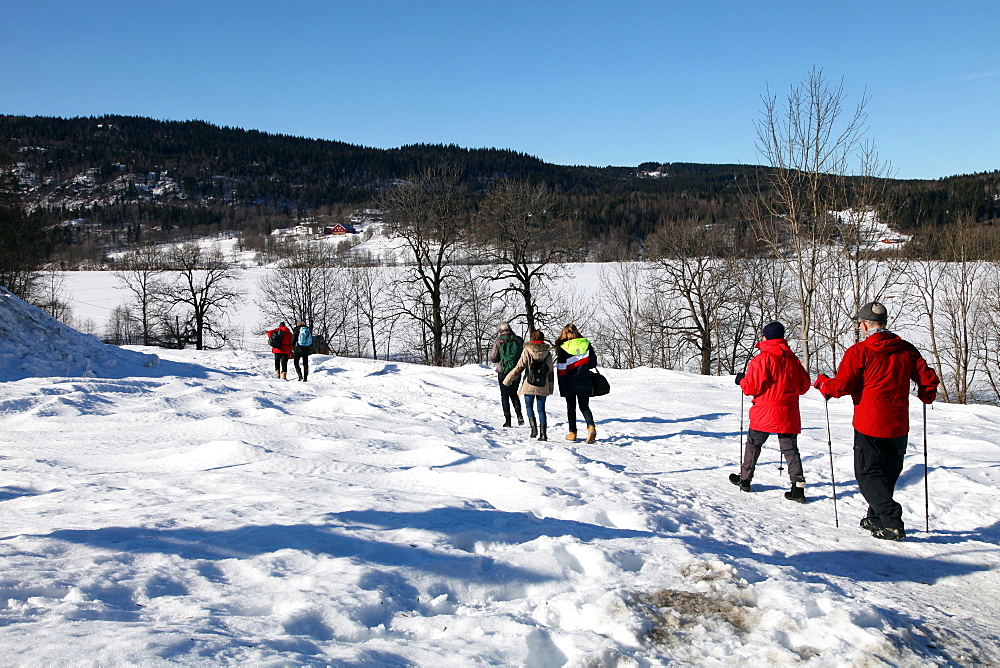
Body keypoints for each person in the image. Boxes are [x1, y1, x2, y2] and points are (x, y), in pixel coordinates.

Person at [814, 301, 939, 541]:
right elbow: (927, 379)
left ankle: (891, 520)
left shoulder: (859, 352)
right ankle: (876, 517)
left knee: (867, 473)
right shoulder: (907, 349)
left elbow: (841, 387)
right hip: (898, 423)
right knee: (888, 471)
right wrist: (926, 394)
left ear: (863, 325)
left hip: (869, 422)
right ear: (884, 324)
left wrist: (822, 383)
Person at [729, 321, 811, 501]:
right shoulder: (793, 360)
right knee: (790, 450)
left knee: (753, 444)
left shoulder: (762, 359)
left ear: (766, 337)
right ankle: (798, 488)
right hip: (788, 412)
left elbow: (751, 388)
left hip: (765, 412)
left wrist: (741, 380)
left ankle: (745, 479)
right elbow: (804, 386)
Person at [503, 329, 555, 441]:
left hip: (529, 384)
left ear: (532, 338)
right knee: (541, 409)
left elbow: (519, 368)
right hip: (543, 384)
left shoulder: (527, 350)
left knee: (529, 406)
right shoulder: (548, 353)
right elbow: (550, 372)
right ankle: (543, 434)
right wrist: (550, 388)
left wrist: (507, 380)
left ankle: (533, 430)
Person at [554, 323, 598, 443]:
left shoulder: (563, 348)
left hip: (570, 382)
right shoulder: (586, 344)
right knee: (584, 406)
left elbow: (561, 369)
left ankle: (572, 433)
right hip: (585, 380)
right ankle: (591, 426)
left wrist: (562, 386)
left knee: (571, 407)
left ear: (565, 334)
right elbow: (593, 363)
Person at [489, 322, 524, 427]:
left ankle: (508, 421)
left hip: (503, 371)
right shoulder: (519, 340)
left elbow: (493, 358)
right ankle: (519, 415)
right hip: (516, 371)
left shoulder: (499, 340)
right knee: (514, 393)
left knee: (505, 396)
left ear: (500, 330)